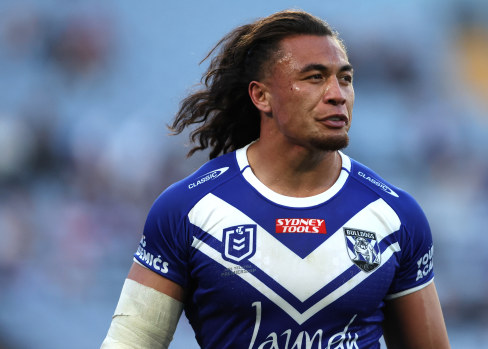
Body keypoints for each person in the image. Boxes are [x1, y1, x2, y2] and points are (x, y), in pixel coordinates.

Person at [101, 9, 450, 349]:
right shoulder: (187, 210)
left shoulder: (395, 215)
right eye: (315, 77)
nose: (337, 94)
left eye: (345, 78)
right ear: (261, 96)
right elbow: (129, 342)